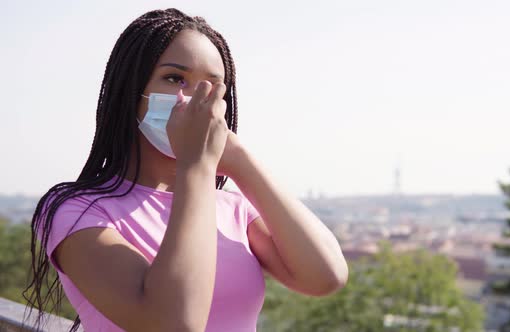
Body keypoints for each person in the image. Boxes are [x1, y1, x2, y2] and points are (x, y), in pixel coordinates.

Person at [23, 7, 348, 332]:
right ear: (131, 90)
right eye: (175, 78)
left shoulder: (232, 209)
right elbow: (172, 323)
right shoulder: (76, 210)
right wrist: (197, 166)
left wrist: (241, 161)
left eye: (213, 86)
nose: (196, 100)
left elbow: (326, 276)